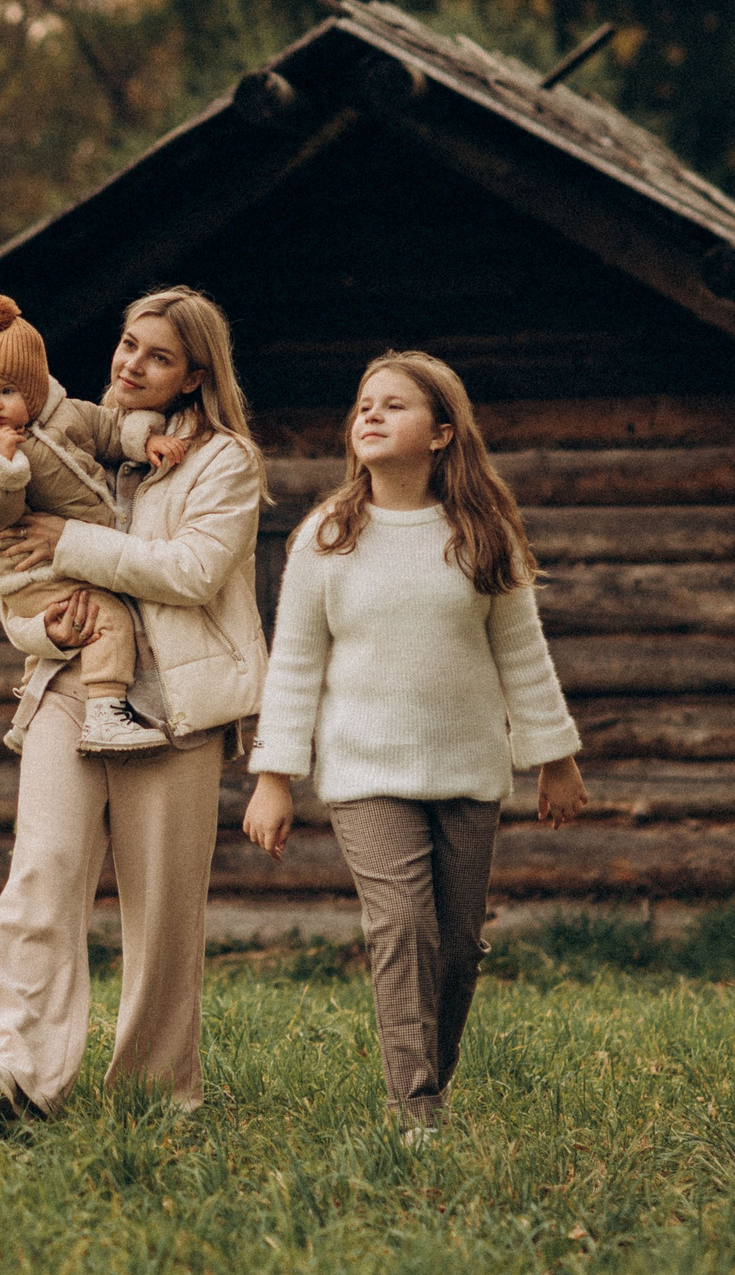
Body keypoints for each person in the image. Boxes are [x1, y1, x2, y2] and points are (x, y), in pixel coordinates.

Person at [242, 350, 590, 1139]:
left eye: (392, 406)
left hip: (469, 770)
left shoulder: (481, 532)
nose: (369, 415)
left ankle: (428, 1080)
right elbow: (295, 663)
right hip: (365, 770)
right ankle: (416, 1109)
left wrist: (555, 758)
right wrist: (274, 776)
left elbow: (523, 655)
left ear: (440, 434)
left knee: (459, 947)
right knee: (402, 927)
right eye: (364, 404)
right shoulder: (327, 536)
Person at [0, 287, 267, 1116]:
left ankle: (155, 1096)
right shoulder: (65, 436)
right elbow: (11, 571)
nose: (131, 364)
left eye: (158, 356)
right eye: (129, 344)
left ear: (195, 374)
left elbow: (194, 571)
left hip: (177, 702)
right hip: (68, 684)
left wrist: (75, 542)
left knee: (160, 908)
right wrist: (46, 630)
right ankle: (5, 1069)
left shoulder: (222, 460)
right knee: (43, 865)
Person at [0, 294, 190, 754]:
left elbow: (111, 429)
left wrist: (148, 440)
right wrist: (3, 463)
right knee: (107, 620)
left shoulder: (69, 414)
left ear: (35, 389)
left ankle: (33, 712)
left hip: (74, 558)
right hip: (27, 571)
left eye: (7, 392)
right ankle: (104, 713)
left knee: (89, 620)